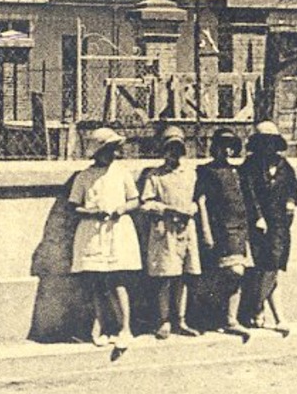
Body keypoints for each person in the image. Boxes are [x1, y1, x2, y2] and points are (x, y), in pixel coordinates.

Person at [68, 126, 142, 357]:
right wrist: (92, 212)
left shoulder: (121, 173)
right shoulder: (84, 177)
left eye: (115, 149)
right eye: (109, 150)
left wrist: (122, 208)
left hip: (117, 231)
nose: (114, 154)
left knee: (117, 280)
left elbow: (134, 200)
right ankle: (101, 326)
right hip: (92, 233)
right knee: (97, 281)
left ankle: (125, 328)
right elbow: (74, 206)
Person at [137, 125, 203, 340]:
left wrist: (191, 209)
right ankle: (164, 320)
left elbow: (197, 200)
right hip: (164, 232)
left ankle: (181, 320)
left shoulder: (190, 174)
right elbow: (145, 203)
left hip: (186, 230)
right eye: (169, 150)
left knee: (183, 277)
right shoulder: (155, 176)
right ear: (163, 151)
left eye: (178, 150)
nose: (174, 154)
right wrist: (166, 209)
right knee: (166, 277)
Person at [194, 127, 254, 341]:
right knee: (226, 273)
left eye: (230, 147)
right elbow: (200, 202)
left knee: (238, 273)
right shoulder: (205, 171)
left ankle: (230, 319)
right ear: (215, 148)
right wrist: (206, 231)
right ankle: (212, 316)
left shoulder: (236, 172)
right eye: (222, 146)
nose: (226, 151)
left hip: (239, 229)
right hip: (219, 230)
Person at [240, 120, 297, 335]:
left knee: (273, 268)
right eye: (264, 142)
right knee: (265, 268)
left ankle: (259, 308)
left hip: (281, 225)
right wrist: (258, 217)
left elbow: (293, 190)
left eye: (272, 142)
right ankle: (269, 314)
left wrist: (291, 202)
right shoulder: (250, 166)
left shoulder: (285, 166)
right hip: (259, 225)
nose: (268, 147)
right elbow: (249, 194)